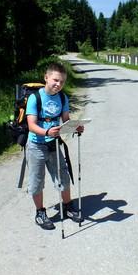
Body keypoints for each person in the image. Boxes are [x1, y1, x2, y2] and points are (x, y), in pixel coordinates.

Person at [25, 62, 85, 230]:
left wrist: (75, 127)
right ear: (46, 78)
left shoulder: (62, 97)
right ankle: (40, 213)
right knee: (37, 181)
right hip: (36, 145)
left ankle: (67, 207)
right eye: (55, 80)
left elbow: (66, 119)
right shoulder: (34, 98)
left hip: (54, 144)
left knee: (63, 177)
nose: (58, 84)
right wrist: (46, 133)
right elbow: (31, 125)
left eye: (62, 82)